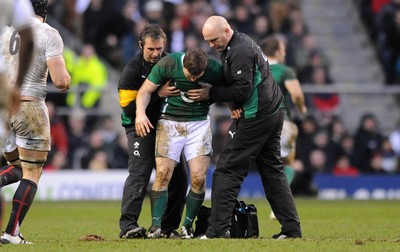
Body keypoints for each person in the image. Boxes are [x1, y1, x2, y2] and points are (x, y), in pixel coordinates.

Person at [188, 15, 302, 239]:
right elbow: (240, 85)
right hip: (272, 111)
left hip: (258, 115)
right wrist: (236, 105)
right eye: (207, 41)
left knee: (227, 169)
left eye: (213, 40)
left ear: (227, 31)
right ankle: (291, 230)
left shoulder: (239, 50)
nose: (211, 45)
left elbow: (242, 88)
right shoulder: (238, 44)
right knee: (272, 172)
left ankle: (217, 230)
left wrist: (211, 93)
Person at [0, 0, 71, 244]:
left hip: (3, 109)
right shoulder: (49, 33)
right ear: (45, 10)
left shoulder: (6, 31)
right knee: (31, 172)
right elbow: (60, 80)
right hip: (29, 105)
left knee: (17, 167)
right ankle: (11, 233)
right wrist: (67, 78)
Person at [135, 48, 223, 239]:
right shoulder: (168, 63)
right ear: (183, 65)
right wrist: (140, 114)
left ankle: (187, 226)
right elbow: (144, 91)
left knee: (199, 177)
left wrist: (213, 93)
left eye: (197, 77)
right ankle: (156, 226)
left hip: (199, 124)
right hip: (170, 122)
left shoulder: (214, 68)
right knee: (163, 174)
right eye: (189, 76)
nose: (192, 80)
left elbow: (231, 88)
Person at [118, 24, 188, 239]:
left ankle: (167, 228)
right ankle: (128, 226)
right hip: (139, 126)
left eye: (159, 48)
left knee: (179, 178)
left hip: (167, 127)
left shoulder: (172, 63)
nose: (156, 53)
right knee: (139, 174)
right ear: (141, 46)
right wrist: (159, 93)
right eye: (151, 49)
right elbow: (128, 109)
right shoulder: (132, 70)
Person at [261, 36, 307, 219]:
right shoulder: (285, 71)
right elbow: (296, 93)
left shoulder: (257, 70)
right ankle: (278, 207)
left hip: (256, 123)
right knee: (287, 164)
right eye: (283, 49)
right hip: (282, 122)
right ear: (278, 52)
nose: (285, 52)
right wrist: (302, 107)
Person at [0, 0, 34, 239]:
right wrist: (17, 88)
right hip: (16, 95)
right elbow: (28, 37)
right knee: (28, 170)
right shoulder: (14, 3)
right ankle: (11, 232)